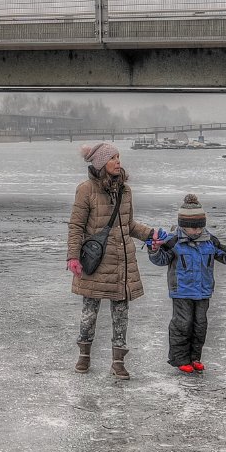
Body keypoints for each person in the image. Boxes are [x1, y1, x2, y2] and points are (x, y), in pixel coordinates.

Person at [66, 142, 157, 380]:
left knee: (121, 313)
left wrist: (150, 235)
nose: (118, 162)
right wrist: (73, 257)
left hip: (122, 261)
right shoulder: (86, 190)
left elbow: (128, 225)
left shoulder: (125, 191)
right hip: (95, 261)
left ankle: (118, 362)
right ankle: (84, 356)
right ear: (100, 163)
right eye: (113, 158)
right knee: (90, 311)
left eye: (119, 157)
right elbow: (76, 226)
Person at [146, 194, 226, 374]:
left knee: (200, 325)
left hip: (203, 291)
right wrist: (153, 250)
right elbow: (161, 259)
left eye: (200, 226)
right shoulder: (173, 242)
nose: (197, 231)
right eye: (193, 227)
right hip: (182, 292)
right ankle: (180, 359)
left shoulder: (209, 241)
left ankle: (195, 357)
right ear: (183, 226)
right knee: (182, 324)